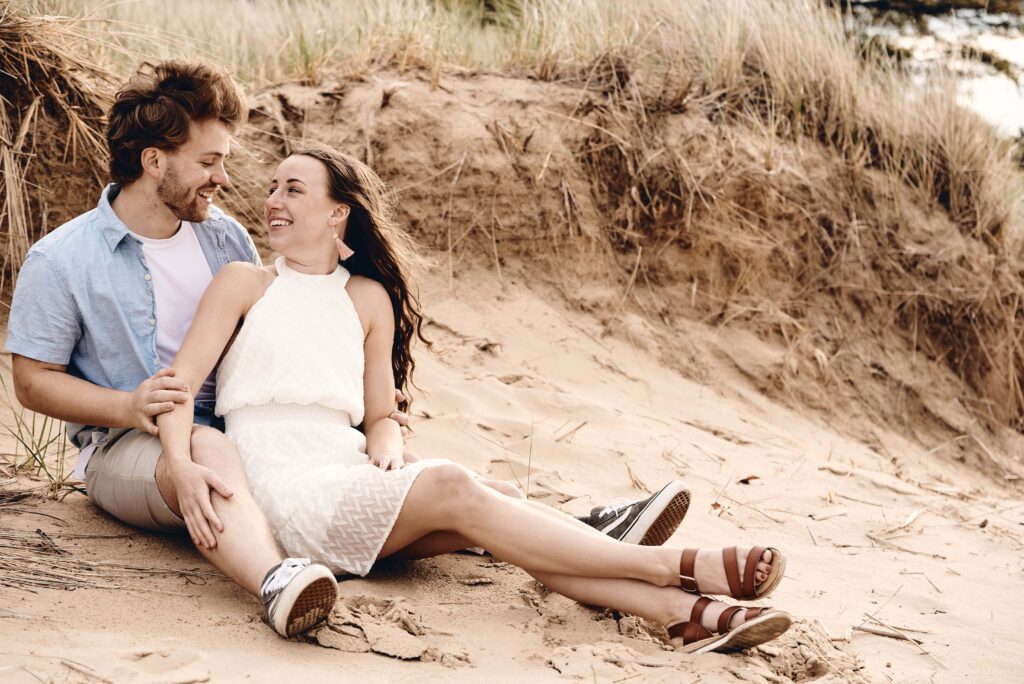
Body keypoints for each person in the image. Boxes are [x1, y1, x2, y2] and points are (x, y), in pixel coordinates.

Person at [4, 60, 690, 638]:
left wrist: (371, 415)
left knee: (438, 482)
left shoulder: (225, 241)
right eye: (209, 161)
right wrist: (130, 406)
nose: (222, 178)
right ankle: (277, 580)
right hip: (131, 447)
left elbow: (277, 339)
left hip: (254, 440)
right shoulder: (64, 258)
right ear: (155, 161)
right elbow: (32, 382)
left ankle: (597, 536)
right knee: (213, 453)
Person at [155, 143, 794, 654]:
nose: (272, 199)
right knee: (458, 486)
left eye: (293, 189)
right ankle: (668, 564)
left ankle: (684, 614)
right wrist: (181, 463)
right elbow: (180, 386)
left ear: (337, 213)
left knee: (499, 514)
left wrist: (386, 441)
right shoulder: (244, 283)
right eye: (271, 187)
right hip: (284, 485)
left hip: (346, 470)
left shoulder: (366, 299)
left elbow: (379, 414)